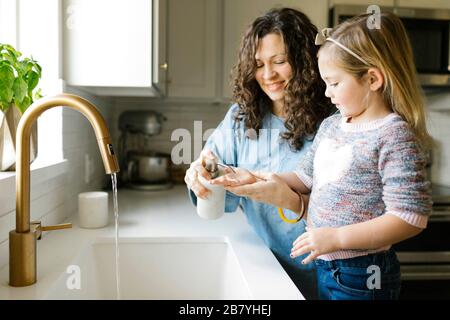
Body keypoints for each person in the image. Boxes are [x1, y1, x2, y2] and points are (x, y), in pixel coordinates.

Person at [212, 12, 433, 300]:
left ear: (372, 79)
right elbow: (305, 177)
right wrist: (258, 177)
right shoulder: (333, 125)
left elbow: (410, 216)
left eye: (334, 83)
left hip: (363, 272)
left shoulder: (392, 135)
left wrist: (336, 238)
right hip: (327, 266)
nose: (327, 93)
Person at [184, 8, 333, 299]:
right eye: (259, 64)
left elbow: (350, 208)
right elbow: (218, 186)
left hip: (326, 275)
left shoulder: (334, 119)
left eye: (279, 61)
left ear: (305, 61)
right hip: (265, 268)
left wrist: (289, 198)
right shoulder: (241, 117)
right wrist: (201, 175)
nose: (268, 75)